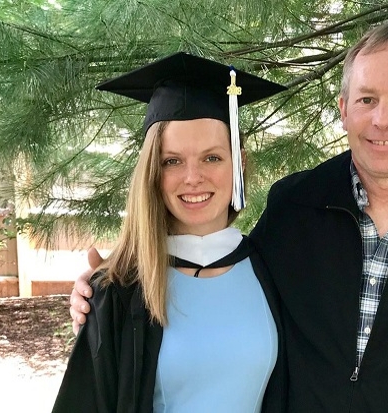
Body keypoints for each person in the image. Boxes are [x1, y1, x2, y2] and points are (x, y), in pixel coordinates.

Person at [70, 22, 388, 411]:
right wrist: (105, 296)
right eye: (366, 99)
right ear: (343, 109)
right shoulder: (293, 210)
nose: (383, 120)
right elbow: (205, 263)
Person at [54, 52, 287, 412]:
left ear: (238, 163)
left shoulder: (272, 270)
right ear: (152, 172)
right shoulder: (120, 290)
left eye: (212, 157)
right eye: (172, 161)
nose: (193, 177)